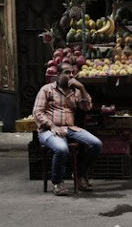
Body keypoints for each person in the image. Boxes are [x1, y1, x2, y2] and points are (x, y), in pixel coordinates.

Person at [33, 63, 102, 196]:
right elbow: (37, 112)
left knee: (96, 144)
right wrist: (52, 126)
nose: (70, 75)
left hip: (70, 128)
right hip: (48, 130)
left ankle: (80, 174)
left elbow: (87, 107)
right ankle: (57, 182)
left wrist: (81, 88)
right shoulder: (46, 89)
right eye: (66, 72)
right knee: (61, 149)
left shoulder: (75, 91)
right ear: (58, 75)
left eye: (72, 73)